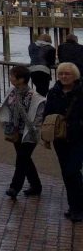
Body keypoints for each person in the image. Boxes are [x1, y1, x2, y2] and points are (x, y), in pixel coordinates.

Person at [43, 62, 83, 222]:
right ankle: (74, 206)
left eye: (67, 74)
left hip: (79, 138)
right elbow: (48, 113)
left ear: (75, 76)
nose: (64, 77)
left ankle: (78, 208)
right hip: (60, 138)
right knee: (67, 174)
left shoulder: (81, 93)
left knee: (72, 171)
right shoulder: (53, 92)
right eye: (61, 74)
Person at [0, 65, 44, 200]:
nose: (10, 78)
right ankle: (36, 186)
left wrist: (33, 128)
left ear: (21, 79)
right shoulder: (12, 91)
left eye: (12, 76)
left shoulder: (34, 96)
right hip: (16, 132)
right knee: (25, 159)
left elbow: (39, 115)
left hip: (29, 132)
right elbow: (7, 109)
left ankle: (15, 187)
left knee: (21, 159)